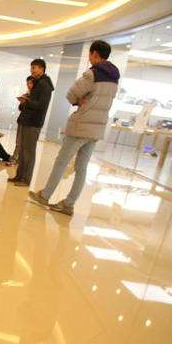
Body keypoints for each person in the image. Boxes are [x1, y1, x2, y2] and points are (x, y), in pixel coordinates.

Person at [29, 40, 120, 216]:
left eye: (90, 54)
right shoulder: (114, 78)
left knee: (62, 161)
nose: (89, 58)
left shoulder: (92, 74)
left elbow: (71, 94)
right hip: (97, 127)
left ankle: (45, 195)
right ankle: (69, 203)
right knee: (82, 167)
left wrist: (78, 100)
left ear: (94, 54)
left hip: (82, 124)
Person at [8, 58, 54, 187]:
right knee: (22, 149)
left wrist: (26, 102)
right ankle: (19, 175)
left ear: (42, 69)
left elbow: (42, 104)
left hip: (34, 122)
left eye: (34, 68)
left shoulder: (44, 84)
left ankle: (26, 179)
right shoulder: (37, 83)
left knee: (29, 151)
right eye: (31, 68)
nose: (32, 70)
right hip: (26, 120)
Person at [7, 76, 34, 167]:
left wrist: (26, 102)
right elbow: (20, 108)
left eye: (30, 83)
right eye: (27, 83)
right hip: (22, 120)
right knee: (19, 141)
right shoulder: (27, 94)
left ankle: (14, 159)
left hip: (29, 122)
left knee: (21, 142)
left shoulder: (34, 95)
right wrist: (23, 101)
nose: (28, 85)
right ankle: (17, 159)